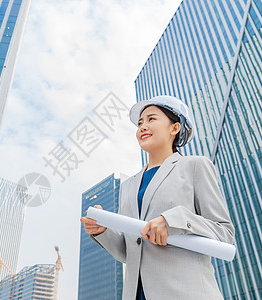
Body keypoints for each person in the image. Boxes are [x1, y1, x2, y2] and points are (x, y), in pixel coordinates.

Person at [80, 95, 235, 299]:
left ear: (174, 128)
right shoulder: (128, 186)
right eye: (140, 123)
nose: (142, 127)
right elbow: (129, 251)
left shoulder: (195, 166)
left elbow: (225, 234)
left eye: (151, 119)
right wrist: (103, 231)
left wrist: (174, 221)